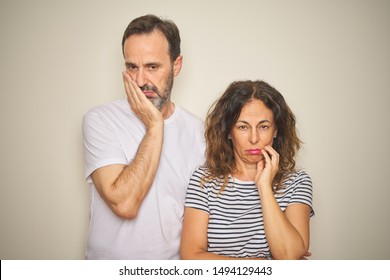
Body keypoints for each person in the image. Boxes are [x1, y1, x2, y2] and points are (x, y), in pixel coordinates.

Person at [82, 14, 205, 259]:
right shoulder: (100, 120)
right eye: (132, 67)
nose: (140, 81)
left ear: (176, 65)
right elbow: (124, 204)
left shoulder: (201, 133)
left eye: (152, 67)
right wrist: (155, 126)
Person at [180, 80, 314, 260]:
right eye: (243, 127)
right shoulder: (204, 180)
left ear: (276, 131)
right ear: (228, 131)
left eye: (263, 126)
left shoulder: (298, 182)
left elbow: (289, 255)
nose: (254, 138)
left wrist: (264, 187)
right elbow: (191, 256)